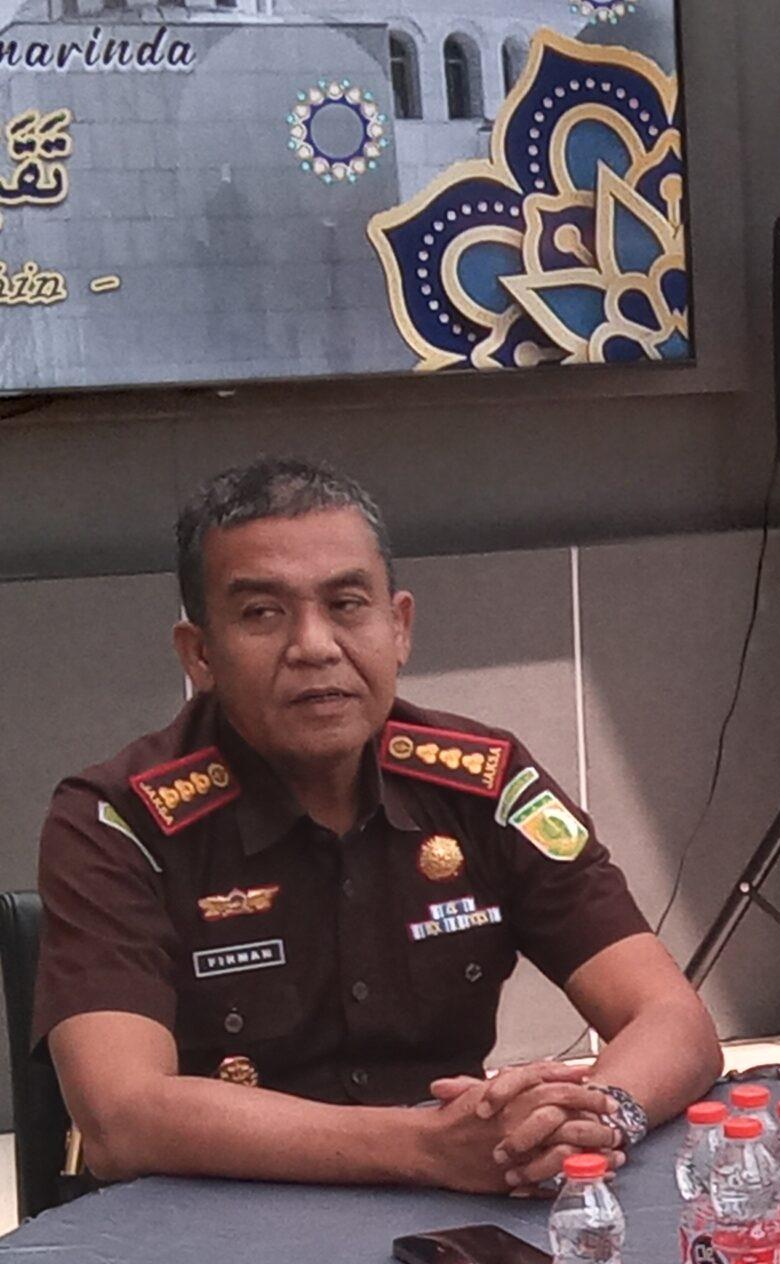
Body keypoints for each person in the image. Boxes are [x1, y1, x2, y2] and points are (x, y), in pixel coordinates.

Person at [34, 458, 723, 1195]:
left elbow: (673, 1019)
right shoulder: (116, 820)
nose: (314, 646)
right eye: (262, 613)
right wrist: (427, 1148)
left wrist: (600, 1116)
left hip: (449, 1210)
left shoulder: (482, 784)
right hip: (212, 1216)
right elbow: (121, 1117)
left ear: (399, 627)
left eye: (346, 605)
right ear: (200, 654)